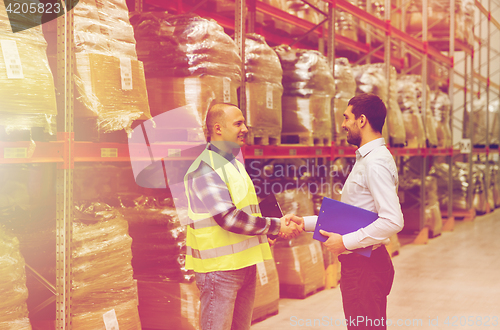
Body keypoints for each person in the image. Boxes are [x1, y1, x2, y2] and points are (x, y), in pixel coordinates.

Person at [184, 103, 304, 330]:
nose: (245, 129)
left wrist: (270, 230)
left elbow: (248, 210)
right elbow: (229, 218)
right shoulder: (205, 168)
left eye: (244, 123)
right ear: (218, 129)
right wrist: (276, 226)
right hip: (219, 271)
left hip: (244, 265)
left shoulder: (232, 164)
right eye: (238, 123)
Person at [302, 93, 404, 329]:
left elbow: (392, 220)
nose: (343, 124)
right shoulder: (367, 159)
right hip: (364, 265)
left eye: (346, 118)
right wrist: (304, 223)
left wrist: (346, 242)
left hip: (364, 268)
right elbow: (352, 217)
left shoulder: (374, 162)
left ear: (362, 120)